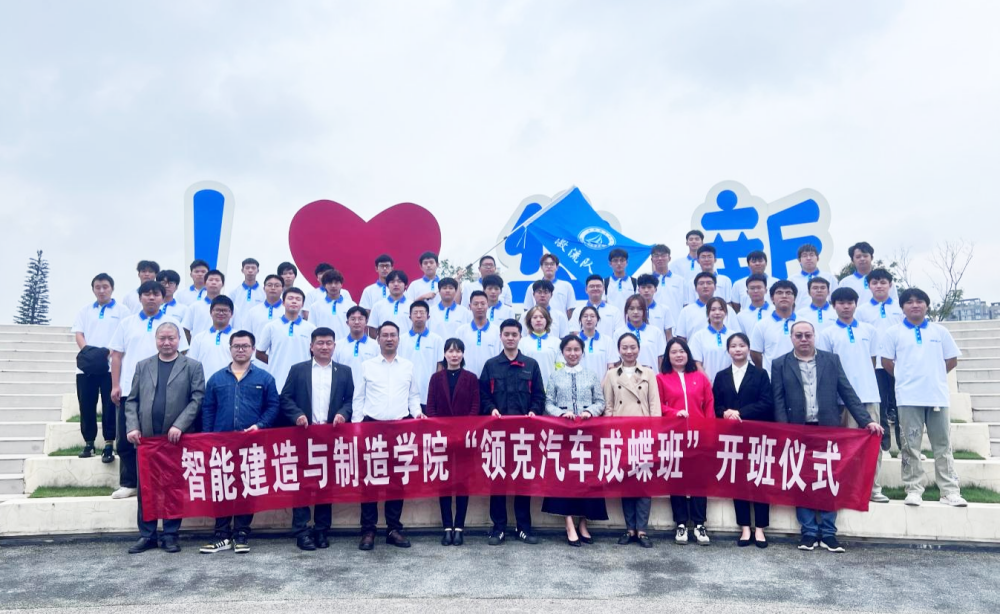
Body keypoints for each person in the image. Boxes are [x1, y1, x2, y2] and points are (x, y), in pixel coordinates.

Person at [772, 321, 884, 553]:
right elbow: (778, 400)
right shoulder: (780, 363)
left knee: (828, 479)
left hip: (827, 429)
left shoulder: (831, 360)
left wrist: (866, 420)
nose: (804, 339)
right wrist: (785, 430)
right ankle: (809, 532)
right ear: (791, 338)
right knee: (801, 480)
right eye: (799, 336)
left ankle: (829, 533)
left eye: (808, 335)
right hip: (798, 430)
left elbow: (847, 391)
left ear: (815, 336)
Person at [123, 321, 204, 554]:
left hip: (176, 440)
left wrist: (180, 424)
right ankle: (147, 535)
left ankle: (170, 535)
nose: (167, 343)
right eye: (162, 338)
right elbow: (132, 400)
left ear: (179, 340)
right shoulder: (143, 366)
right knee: (146, 489)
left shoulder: (192, 366)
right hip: (146, 440)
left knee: (173, 488)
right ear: (156, 340)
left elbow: (197, 398)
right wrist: (132, 426)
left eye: (171, 338)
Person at [881, 288, 966, 507]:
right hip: (908, 398)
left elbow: (951, 359)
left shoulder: (940, 331)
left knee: (943, 445)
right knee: (910, 445)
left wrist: (934, 375)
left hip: (937, 396)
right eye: (909, 302)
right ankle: (913, 489)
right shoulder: (893, 332)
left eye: (919, 301)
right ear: (902, 307)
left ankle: (949, 490)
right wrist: (905, 377)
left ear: (927, 305)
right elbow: (886, 362)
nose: (915, 305)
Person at [199, 330, 280, 554]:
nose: (241, 350)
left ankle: (242, 533)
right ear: (230, 349)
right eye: (237, 346)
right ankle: (222, 535)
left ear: (253, 349)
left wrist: (260, 425)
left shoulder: (265, 378)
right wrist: (207, 438)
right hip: (221, 444)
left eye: (245, 346)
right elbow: (208, 409)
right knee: (222, 488)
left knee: (247, 488)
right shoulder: (216, 379)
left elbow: (273, 406)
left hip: (251, 443)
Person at [109, 281, 189, 499]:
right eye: (147, 294)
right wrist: (115, 384)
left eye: (156, 294)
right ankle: (129, 483)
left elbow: (182, 355)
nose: (151, 298)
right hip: (130, 389)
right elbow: (116, 355)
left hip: (164, 390)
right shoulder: (127, 323)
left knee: (162, 440)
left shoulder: (172, 323)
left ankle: (164, 482)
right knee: (126, 438)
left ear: (163, 298)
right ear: (140, 298)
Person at [281, 327, 355, 550]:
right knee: (302, 485)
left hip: (331, 436)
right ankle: (302, 531)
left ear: (334, 346)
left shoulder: (344, 371)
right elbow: (285, 398)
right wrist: (297, 415)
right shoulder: (298, 370)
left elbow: (351, 400)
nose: (324, 347)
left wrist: (343, 414)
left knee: (326, 484)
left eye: (328, 343)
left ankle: (322, 530)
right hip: (304, 435)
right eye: (320, 343)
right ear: (311, 346)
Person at [353, 322, 425, 550]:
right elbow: (358, 398)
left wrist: (417, 413)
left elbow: (413, 396)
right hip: (372, 428)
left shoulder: (408, 366)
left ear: (399, 339)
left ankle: (394, 529)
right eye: (384, 335)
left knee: (396, 481)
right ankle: (368, 530)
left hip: (399, 428)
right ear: (378, 339)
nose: (389, 339)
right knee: (370, 481)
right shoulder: (367, 366)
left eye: (393, 335)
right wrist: (356, 427)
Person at [818, 287, 888, 503]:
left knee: (872, 443)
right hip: (843, 399)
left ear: (856, 304)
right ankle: (848, 488)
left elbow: (872, 361)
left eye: (850, 302)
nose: (846, 307)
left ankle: (873, 488)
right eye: (841, 303)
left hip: (869, 395)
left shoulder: (869, 330)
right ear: (834, 306)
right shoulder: (827, 334)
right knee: (847, 446)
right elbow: (827, 367)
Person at [479, 319, 546, 546]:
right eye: (506, 334)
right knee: (497, 480)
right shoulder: (491, 365)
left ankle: (523, 527)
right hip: (497, 434)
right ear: (500, 336)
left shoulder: (531, 365)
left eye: (514, 334)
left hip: (524, 435)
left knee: (522, 481)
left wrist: (534, 411)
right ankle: (498, 528)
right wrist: (491, 409)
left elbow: (539, 395)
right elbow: (483, 395)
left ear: (520, 336)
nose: (510, 338)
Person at [542, 336, 607, 546]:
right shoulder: (555, 376)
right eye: (568, 350)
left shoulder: (591, 375)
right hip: (563, 435)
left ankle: (583, 523)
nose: (572, 353)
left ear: (582, 352)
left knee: (587, 478)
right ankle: (569, 523)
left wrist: (590, 412)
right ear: (562, 352)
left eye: (576, 349)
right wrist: (561, 414)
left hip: (587, 435)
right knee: (565, 478)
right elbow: (548, 403)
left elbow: (600, 402)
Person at [712, 333, 774, 548]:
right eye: (733, 346)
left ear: (748, 348)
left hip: (756, 434)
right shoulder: (721, 376)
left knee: (759, 480)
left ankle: (760, 529)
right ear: (728, 350)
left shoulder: (760, 374)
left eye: (741, 345)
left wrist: (740, 412)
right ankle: (745, 528)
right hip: (731, 437)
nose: (737, 349)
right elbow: (715, 404)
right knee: (738, 481)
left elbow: (766, 402)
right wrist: (724, 412)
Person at [604, 333, 661, 548]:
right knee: (626, 482)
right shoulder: (611, 374)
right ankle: (630, 529)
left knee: (644, 482)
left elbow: (654, 405)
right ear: (619, 350)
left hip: (644, 433)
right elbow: (609, 406)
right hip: (621, 434)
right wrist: (610, 432)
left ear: (639, 348)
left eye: (633, 347)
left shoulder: (648, 373)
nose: (629, 351)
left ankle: (642, 530)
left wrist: (655, 432)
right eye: (624, 348)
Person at [657, 338, 714, 546]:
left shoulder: (700, 377)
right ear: (667, 356)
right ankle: (680, 523)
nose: (678, 355)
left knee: (699, 481)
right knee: (677, 479)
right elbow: (657, 405)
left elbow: (709, 406)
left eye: (682, 351)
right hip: (674, 435)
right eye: (674, 352)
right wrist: (674, 413)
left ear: (688, 354)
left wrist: (709, 433)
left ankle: (699, 524)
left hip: (698, 436)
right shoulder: (661, 378)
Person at [425, 338, 480, 546]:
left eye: (458, 351)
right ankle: (447, 527)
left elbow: (475, 407)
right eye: (450, 351)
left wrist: (463, 430)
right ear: (444, 354)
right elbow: (431, 407)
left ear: (463, 354)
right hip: (442, 439)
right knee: (445, 483)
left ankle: (459, 528)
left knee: (463, 483)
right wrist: (442, 431)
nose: (454, 355)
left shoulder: (471, 378)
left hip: (464, 439)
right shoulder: (436, 378)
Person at [72, 273, 129, 461]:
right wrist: (90, 353)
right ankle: (89, 442)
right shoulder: (85, 311)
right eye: (98, 287)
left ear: (112, 288)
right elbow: (79, 333)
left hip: (110, 367)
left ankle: (108, 443)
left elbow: (124, 336)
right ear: (93, 289)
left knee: (110, 406)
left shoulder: (123, 311)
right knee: (86, 404)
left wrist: (107, 353)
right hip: (86, 368)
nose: (102, 290)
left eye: (105, 286)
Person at [857, 268, 904, 452]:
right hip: (874, 365)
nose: (879, 286)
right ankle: (884, 446)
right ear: (869, 286)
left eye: (883, 282)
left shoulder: (900, 307)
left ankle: (904, 446)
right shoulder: (861, 310)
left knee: (900, 405)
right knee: (880, 405)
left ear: (890, 285)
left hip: (897, 364)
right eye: (875, 283)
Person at [256, 287, 316, 391]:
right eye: (290, 298)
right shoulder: (271, 327)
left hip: (302, 384)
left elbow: (314, 354)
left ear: (302, 304)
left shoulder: (311, 328)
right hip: (276, 383)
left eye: (298, 299)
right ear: (283, 303)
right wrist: (276, 361)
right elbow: (259, 353)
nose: (294, 301)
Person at [399, 300, 445, 408]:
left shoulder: (437, 339)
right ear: (410, 317)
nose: (419, 316)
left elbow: (440, 366)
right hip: (406, 392)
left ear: (428, 316)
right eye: (415, 313)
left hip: (429, 391)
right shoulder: (401, 339)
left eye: (422, 313)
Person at [750, 280, 798, 374]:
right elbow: (755, 353)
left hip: (800, 377)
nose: (784, 296)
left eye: (788, 293)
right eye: (779, 293)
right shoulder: (762, 325)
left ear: (794, 298)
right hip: (772, 377)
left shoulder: (804, 323)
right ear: (772, 298)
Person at [675, 272, 739, 342]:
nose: (705, 286)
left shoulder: (727, 309)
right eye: (701, 283)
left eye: (709, 283)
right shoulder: (686, 311)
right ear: (695, 288)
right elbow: (681, 338)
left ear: (715, 287)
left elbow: (737, 335)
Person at [333, 306, 381, 393]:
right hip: (344, 391)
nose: (356, 322)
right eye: (353, 319)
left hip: (368, 391)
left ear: (366, 322)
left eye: (360, 319)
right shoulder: (337, 346)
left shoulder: (376, 346)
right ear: (347, 322)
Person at [187, 295, 235, 381]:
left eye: (224, 310)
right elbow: (191, 364)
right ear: (211, 312)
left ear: (231, 313)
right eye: (217, 310)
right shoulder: (199, 338)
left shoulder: (238, 338)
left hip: (231, 385)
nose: (221, 313)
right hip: (204, 385)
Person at [612, 295, 666, 371]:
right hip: (627, 376)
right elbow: (617, 360)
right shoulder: (618, 333)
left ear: (644, 311)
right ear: (626, 311)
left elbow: (660, 358)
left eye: (639, 309)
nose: (635, 312)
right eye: (631, 308)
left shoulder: (656, 332)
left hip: (652, 376)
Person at [688, 297, 735, 384]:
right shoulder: (699, 336)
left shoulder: (733, 336)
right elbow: (697, 363)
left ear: (725, 312)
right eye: (713, 310)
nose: (717, 313)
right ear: (708, 313)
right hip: (707, 384)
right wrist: (708, 383)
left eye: (721, 309)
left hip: (731, 385)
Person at [458, 291, 501, 378]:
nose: (479, 307)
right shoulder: (461, 331)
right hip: (466, 379)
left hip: (491, 379)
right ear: (470, 306)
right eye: (476, 304)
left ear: (488, 305)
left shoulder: (497, 331)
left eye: (483, 303)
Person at [307, 268, 356, 341]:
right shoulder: (315, 306)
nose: (333, 286)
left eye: (336, 283)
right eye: (330, 283)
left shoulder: (351, 305)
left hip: (346, 345)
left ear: (341, 284)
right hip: (324, 345)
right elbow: (311, 329)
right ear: (324, 285)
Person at [518, 306, 562, 387]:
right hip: (528, 388)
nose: (538, 320)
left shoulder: (556, 342)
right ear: (530, 321)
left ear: (547, 320)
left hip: (551, 387)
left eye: (541, 317)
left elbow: (560, 367)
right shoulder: (522, 342)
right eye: (534, 317)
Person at [570, 274, 624, 338]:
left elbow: (619, 334)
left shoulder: (614, 311)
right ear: (586, 289)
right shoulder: (578, 311)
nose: (595, 288)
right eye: (592, 286)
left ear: (603, 289)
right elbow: (575, 333)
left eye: (598, 286)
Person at [789, 244, 838, 309]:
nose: (808, 258)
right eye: (804, 256)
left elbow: (837, 300)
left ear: (817, 258)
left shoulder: (830, 278)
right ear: (799, 260)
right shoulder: (792, 280)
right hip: (800, 314)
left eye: (811, 255)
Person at [182, 269, 226, 339]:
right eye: (210, 280)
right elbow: (185, 329)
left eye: (217, 280)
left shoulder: (230, 307)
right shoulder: (195, 306)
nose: (214, 282)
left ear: (223, 284)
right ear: (205, 283)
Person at [575, 305, 616, 379]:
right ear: (580, 319)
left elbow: (611, 367)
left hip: (603, 384)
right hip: (579, 384)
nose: (589, 319)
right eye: (585, 316)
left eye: (592, 316)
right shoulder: (574, 341)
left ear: (597, 319)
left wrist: (602, 384)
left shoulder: (607, 340)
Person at [649, 244, 686, 322]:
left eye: (663, 255)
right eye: (656, 256)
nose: (660, 258)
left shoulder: (680, 280)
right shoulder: (647, 281)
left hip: (676, 324)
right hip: (653, 323)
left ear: (669, 258)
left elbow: (685, 305)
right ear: (652, 259)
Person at [368, 270, 410, 336]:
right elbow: (372, 328)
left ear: (405, 286)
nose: (396, 284)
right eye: (392, 282)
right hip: (384, 342)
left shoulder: (412, 306)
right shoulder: (378, 306)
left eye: (399, 281)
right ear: (387, 285)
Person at [227, 257, 264, 330]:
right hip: (237, 329)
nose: (250, 270)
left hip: (257, 328)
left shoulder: (264, 292)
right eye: (247, 268)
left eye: (253, 268)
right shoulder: (234, 292)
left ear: (258, 271)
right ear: (242, 270)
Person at [245, 274, 286, 340]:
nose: (273, 288)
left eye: (277, 285)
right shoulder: (253, 311)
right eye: (269, 285)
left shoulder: (287, 311)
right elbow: (247, 335)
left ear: (282, 289)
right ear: (264, 288)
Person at [637, 274, 675, 341]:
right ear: (638, 290)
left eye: (649, 287)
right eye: (643, 287)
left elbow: (669, 335)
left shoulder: (664, 310)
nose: (646, 290)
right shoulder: (634, 311)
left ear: (655, 289)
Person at [736, 273, 771, 338]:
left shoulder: (775, 311)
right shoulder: (741, 316)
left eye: (759, 288)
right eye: (752, 288)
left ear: (766, 290)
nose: (755, 291)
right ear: (747, 292)